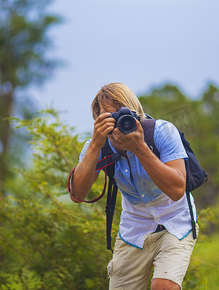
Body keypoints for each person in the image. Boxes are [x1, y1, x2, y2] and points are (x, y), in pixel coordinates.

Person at [69, 82, 197, 290]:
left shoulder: (162, 132)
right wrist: (95, 144)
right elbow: (77, 195)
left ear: (137, 113)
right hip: (134, 228)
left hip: (176, 221)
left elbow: (177, 190)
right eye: (111, 117)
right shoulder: (97, 146)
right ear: (98, 119)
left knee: (164, 286)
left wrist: (139, 148)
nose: (120, 124)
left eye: (124, 115)